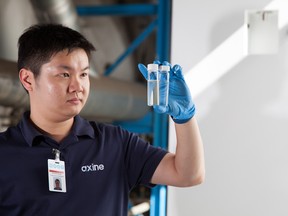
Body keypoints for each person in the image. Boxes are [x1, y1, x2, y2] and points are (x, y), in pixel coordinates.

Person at [0, 24, 205, 215]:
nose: (77, 86)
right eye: (64, 74)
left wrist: (184, 117)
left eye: (83, 74)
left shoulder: (114, 142)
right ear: (28, 79)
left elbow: (188, 174)